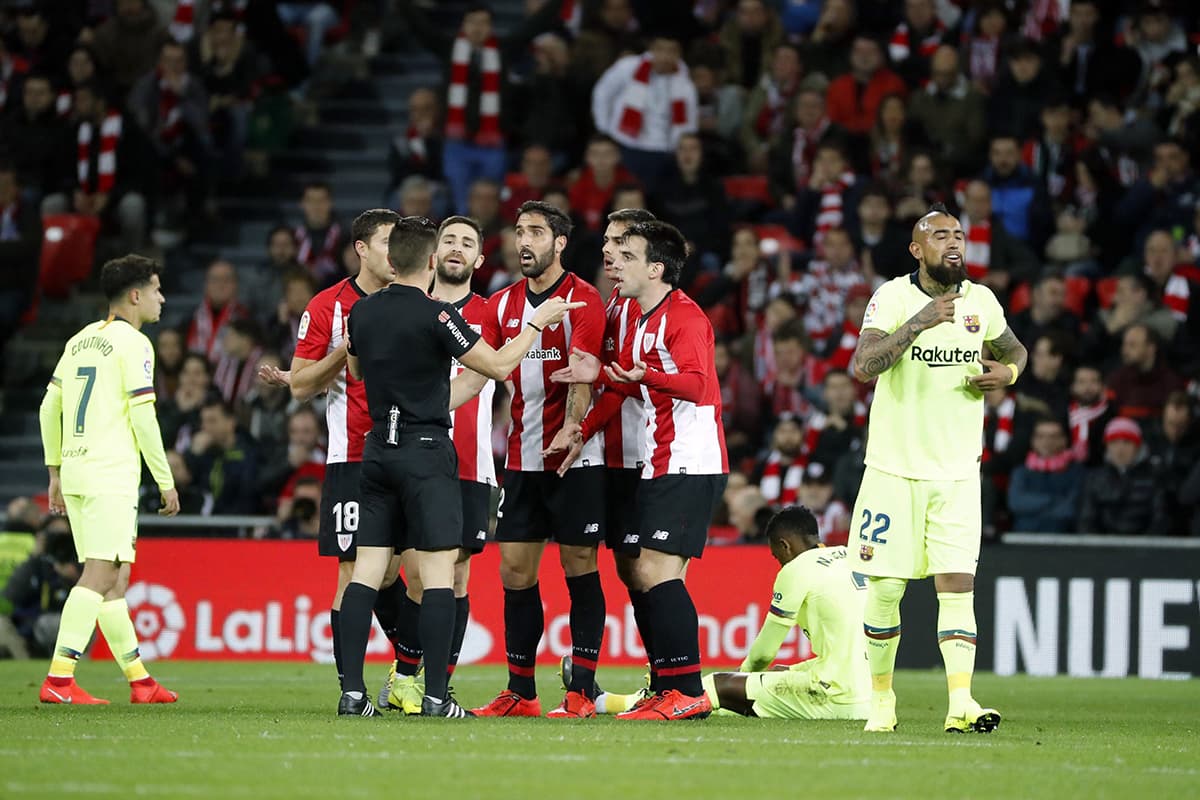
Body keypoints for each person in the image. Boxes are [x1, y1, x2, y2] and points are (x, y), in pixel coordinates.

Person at [336, 215, 582, 718]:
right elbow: (495, 367)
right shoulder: (438, 316)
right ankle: (433, 698)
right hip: (426, 453)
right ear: (429, 260)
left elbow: (356, 370)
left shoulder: (360, 313)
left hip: (377, 449)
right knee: (440, 574)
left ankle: (352, 694)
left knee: (365, 572)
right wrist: (537, 323)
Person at [849, 203, 1027, 733]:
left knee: (957, 585)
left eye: (958, 235)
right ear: (917, 249)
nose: (953, 243)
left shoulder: (983, 301)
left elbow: (1012, 346)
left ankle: (960, 702)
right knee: (885, 589)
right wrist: (919, 323)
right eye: (940, 235)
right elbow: (863, 365)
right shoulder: (892, 297)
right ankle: (882, 699)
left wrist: (1008, 371)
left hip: (956, 473)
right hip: (892, 470)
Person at [549, 221, 729, 721]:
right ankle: (670, 686)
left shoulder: (685, 318)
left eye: (627, 257)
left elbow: (697, 385)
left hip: (690, 460)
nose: (615, 265)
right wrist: (590, 405)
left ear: (656, 268)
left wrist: (640, 375)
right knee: (649, 572)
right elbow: (628, 386)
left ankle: (686, 689)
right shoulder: (643, 318)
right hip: (663, 459)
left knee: (655, 571)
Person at [259, 209, 417, 702]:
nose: (396, 253)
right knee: (353, 568)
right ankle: (353, 690)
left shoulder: (414, 300)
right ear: (361, 249)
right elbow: (301, 385)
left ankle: (409, 670)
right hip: (352, 456)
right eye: (387, 242)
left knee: (395, 572)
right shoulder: (329, 306)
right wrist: (344, 349)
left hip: (411, 453)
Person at [464, 201, 608, 719]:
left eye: (536, 232)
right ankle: (521, 691)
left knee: (579, 566)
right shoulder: (501, 305)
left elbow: (583, 373)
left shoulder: (584, 300)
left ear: (560, 242)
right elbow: (480, 373)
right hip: (522, 462)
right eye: (519, 231)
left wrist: (572, 429)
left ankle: (581, 691)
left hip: (575, 460)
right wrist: (428, 411)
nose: (524, 241)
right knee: (515, 571)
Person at [36, 254, 181, 705]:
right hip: (109, 472)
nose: (162, 297)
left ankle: (140, 682)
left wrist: (55, 471)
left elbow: (48, 409)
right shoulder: (134, 344)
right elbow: (143, 416)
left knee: (115, 577)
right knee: (99, 574)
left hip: (77, 469)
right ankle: (59, 679)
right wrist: (166, 479)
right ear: (135, 295)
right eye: (156, 289)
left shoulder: (80, 340)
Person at [383, 215, 500, 713]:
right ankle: (407, 673)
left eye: (467, 243)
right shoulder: (411, 309)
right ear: (432, 255)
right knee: (413, 575)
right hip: (416, 458)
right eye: (448, 240)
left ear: (479, 259)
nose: (456, 248)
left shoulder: (494, 314)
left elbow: (518, 375)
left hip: (473, 463)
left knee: (455, 578)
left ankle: (434, 685)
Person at [701, 506, 869, 719]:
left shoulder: (796, 569)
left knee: (715, 685)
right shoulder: (851, 557)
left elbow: (763, 654)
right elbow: (845, 653)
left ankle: (652, 702)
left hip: (834, 697)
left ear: (785, 545)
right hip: (870, 700)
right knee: (775, 677)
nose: (779, 563)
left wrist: (742, 676)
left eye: (776, 556)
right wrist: (793, 671)